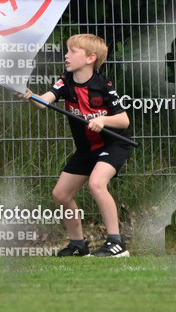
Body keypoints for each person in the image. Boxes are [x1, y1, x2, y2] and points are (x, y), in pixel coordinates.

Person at [19, 33, 132, 257]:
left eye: (73, 51)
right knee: (61, 194)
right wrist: (30, 95)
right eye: (67, 50)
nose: (66, 55)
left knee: (97, 184)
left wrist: (102, 120)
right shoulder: (65, 81)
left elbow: (123, 120)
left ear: (91, 58)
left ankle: (116, 243)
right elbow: (43, 102)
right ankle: (78, 245)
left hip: (113, 144)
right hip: (86, 150)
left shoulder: (103, 84)